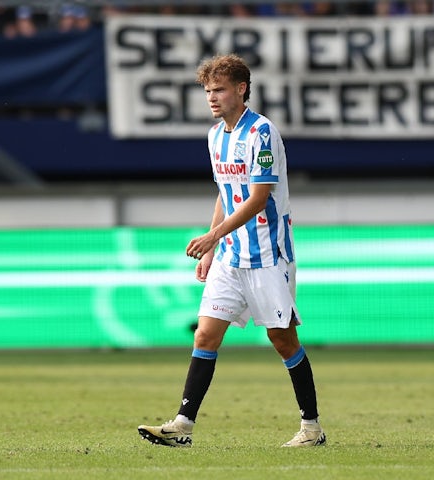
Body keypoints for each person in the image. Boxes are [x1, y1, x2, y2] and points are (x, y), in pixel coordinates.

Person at [137, 54, 326, 448]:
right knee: (205, 335)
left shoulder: (261, 132)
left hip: (269, 254)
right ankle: (182, 426)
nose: (212, 97)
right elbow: (226, 193)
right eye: (208, 91)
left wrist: (211, 237)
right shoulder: (215, 136)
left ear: (241, 89)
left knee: (282, 340)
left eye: (219, 89)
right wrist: (213, 245)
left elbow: (258, 198)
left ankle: (312, 428)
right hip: (230, 257)